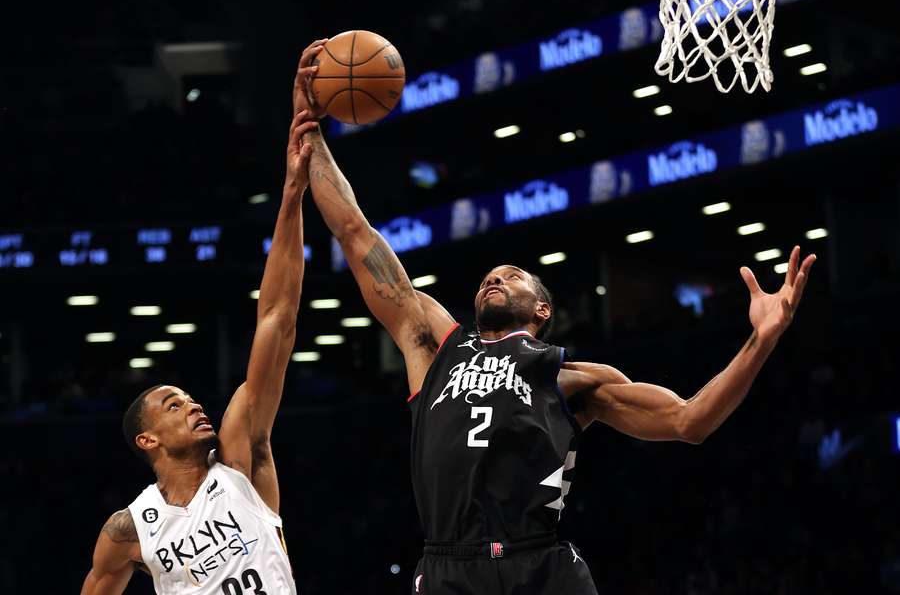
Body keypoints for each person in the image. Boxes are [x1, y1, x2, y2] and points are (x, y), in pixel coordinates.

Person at [295, 39, 816, 595]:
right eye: (487, 277)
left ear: (543, 308)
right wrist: (308, 125)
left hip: (539, 566)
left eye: (513, 274)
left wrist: (761, 341)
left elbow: (690, 422)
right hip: (449, 566)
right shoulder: (433, 345)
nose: (494, 278)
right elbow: (355, 231)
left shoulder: (574, 379)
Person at [80, 101, 320, 595]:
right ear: (148, 440)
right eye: (174, 404)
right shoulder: (127, 530)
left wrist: (293, 195)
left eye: (190, 398)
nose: (193, 406)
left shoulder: (239, 462)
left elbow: (277, 317)